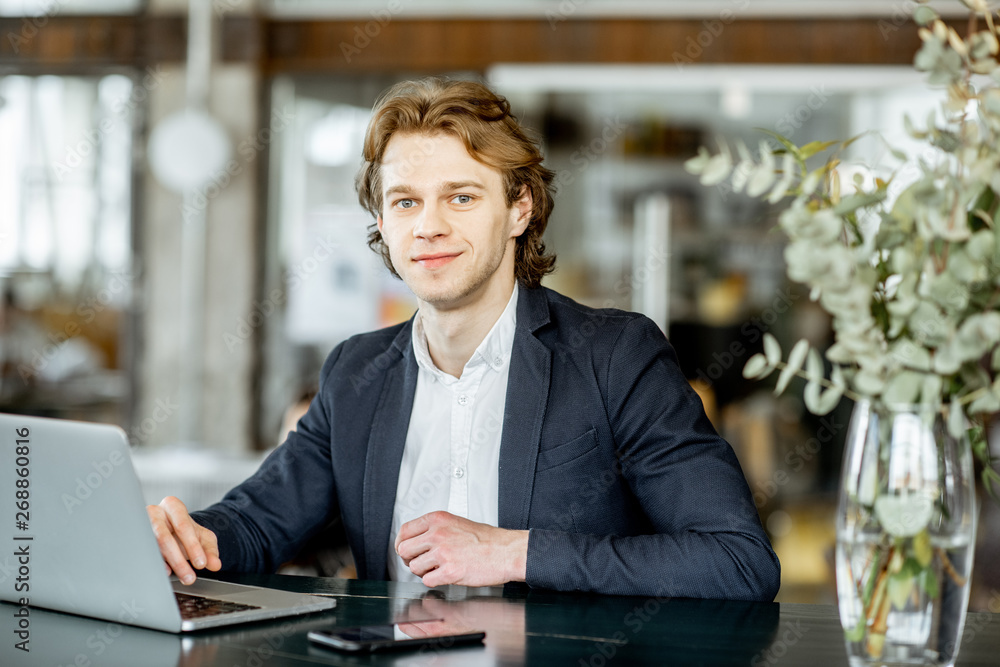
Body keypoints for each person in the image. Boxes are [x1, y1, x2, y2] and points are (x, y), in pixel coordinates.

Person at [147, 78, 780, 600]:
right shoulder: (355, 371)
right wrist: (185, 535)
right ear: (382, 222)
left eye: (461, 196)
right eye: (404, 202)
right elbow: (258, 524)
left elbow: (735, 562)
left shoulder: (614, 356)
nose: (429, 226)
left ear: (520, 208)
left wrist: (513, 551)